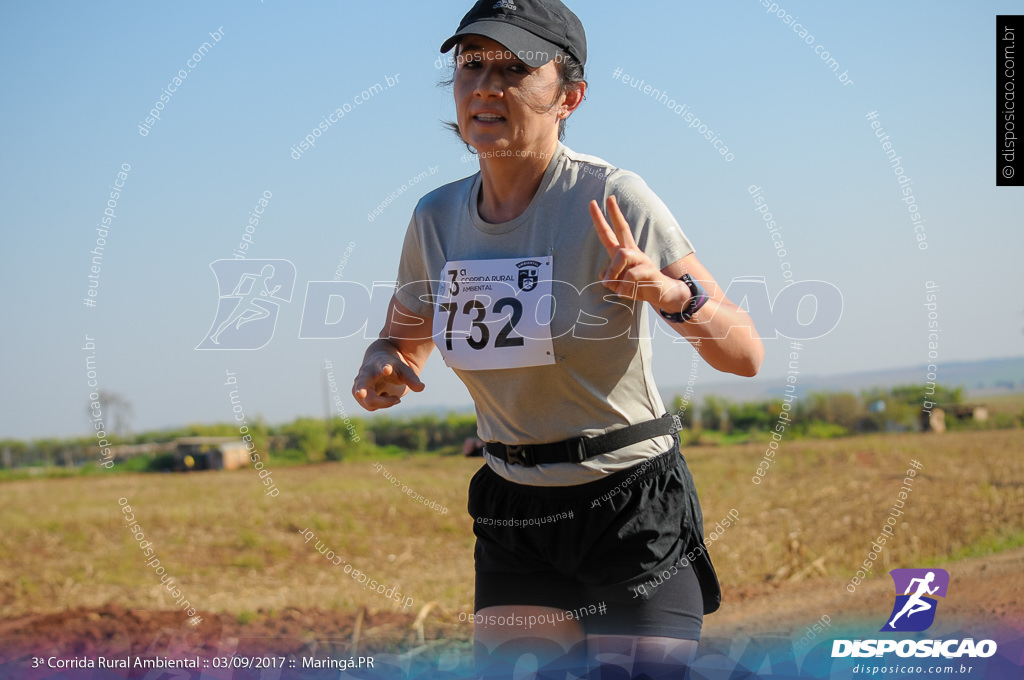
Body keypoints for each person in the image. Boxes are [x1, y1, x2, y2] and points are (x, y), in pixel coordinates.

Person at [352, 1, 764, 676]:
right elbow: (403, 341)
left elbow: (745, 353)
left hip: (627, 504)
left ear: (569, 95)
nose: (486, 85)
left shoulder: (613, 197)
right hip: (514, 511)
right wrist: (383, 364)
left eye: (514, 69)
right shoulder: (434, 218)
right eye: (471, 65)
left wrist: (669, 295)